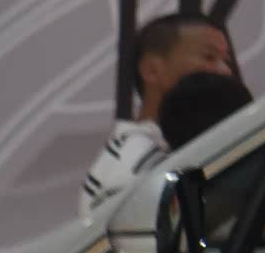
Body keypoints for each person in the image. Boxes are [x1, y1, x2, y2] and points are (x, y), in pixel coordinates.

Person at [77, 12, 245, 215]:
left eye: (226, 60)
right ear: (152, 70)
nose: (225, 71)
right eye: (209, 57)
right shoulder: (137, 162)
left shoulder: (159, 151)